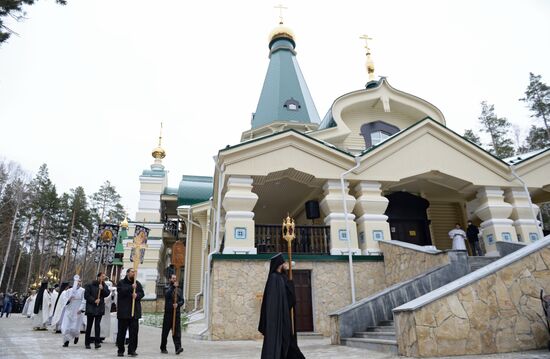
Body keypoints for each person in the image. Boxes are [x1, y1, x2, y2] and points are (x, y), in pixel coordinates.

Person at [258, 253, 305, 359]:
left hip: (284, 316)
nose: (285, 264)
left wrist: (290, 285)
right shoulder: (274, 278)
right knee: (283, 341)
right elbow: (274, 301)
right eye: (283, 262)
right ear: (279, 264)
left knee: (288, 341)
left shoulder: (282, 277)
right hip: (276, 319)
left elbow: (289, 298)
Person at [116, 268, 144, 357]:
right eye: (132, 272)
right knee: (121, 333)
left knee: (134, 333)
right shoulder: (121, 283)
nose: (134, 273)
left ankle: (132, 350)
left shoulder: (137, 283)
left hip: (134, 312)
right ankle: (120, 350)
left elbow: (142, 293)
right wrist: (130, 288)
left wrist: (137, 295)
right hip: (123, 312)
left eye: (135, 272)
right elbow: (120, 291)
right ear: (128, 273)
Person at [84, 272, 111, 349]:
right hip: (91, 308)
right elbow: (86, 296)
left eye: (104, 277)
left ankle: (97, 342)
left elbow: (107, 294)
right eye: (102, 276)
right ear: (98, 277)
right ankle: (87, 342)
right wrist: (94, 300)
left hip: (99, 308)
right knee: (89, 325)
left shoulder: (103, 285)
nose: (103, 278)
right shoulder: (90, 285)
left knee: (97, 325)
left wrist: (102, 289)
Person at [160, 274, 184, 355]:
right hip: (168, 314)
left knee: (177, 332)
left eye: (175, 278)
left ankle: (178, 348)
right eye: (173, 278)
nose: (174, 280)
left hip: (176, 314)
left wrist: (178, 304)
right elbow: (167, 295)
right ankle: (163, 347)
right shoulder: (167, 287)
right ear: (170, 279)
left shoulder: (179, 290)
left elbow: (182, 300)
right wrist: (173, 287)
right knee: (165, 332)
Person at [61, 275, 85, 347]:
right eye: (77, 281)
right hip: (69, 309)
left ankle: (76, 336)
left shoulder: (83, 290)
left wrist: (81, 309)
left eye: (80, 281)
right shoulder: (69, 291)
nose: (79, 283)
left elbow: (84, 300)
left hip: (78, 309)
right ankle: (66, 341)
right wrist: (69, 299)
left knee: (75, 327)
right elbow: (64, 299)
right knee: (67, 326)